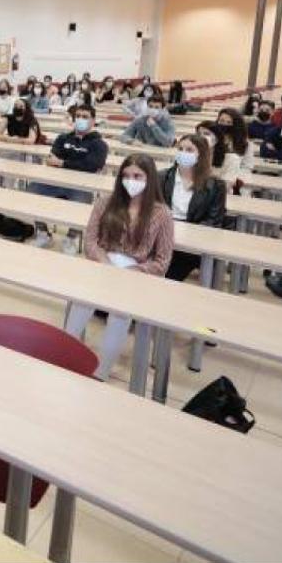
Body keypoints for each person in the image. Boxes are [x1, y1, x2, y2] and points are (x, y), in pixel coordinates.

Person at [65, 154, 175, 380]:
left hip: (136, 270)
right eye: (126, 175)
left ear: (150, 178)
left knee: (119, 313)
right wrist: (104, 262)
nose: (130, 180)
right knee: (81, 301)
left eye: (137, 176)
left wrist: (134, 271)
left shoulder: (161, 214)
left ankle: (102, 370)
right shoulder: (105, 202)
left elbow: (163, 260)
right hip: (103, 262)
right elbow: (90, 241)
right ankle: (65, 355)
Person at [30, 105, 109, 251]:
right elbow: (52, 158)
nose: (80, 119)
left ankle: (71, 238)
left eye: (85, 117)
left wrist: (62, 163)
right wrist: (70, 164)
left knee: (81, 203)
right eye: (78, 116)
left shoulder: (99, 144)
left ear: (93, 121)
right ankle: (43, 233)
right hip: (56, 181)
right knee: (32, 190)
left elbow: (91, 166)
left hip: (81, 185)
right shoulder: (63, 138)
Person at [160, 135, 227, 282]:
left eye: (189, 150)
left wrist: (185, 234)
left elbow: (214, 221)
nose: (183, 153)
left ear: (201, 155)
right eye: (181, 149)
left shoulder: (216, 185)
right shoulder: (161, 177)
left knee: (169, 272)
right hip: (161, 235)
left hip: (192, 242)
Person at [209, 108, 253, 193]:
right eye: (221, 121)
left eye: (229, 122)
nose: (224, 124)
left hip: (233, 181)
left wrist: (235, 177)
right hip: (212, 176)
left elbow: (247, 167)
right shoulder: (211, 138)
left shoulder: (245, 144)